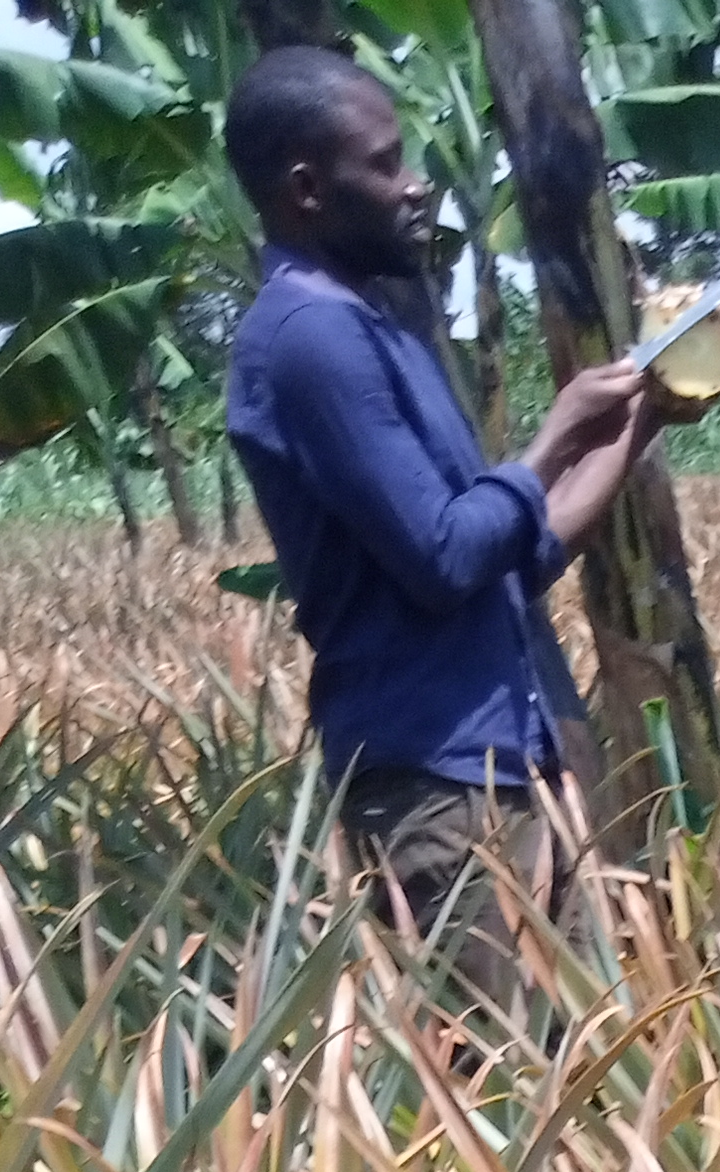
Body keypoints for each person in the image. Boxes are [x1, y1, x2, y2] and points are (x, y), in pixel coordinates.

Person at [220, 46, 654, 992]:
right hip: (436, 794)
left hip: (505, 768)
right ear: (305, 188)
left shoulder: (374, 328)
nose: (414, 186)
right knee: (495, 1092)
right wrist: (556, 434)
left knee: (577, 1074)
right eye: (382, 164)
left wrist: (641, 418)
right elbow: (448, 556)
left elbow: (514, 559)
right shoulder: (311, 339)